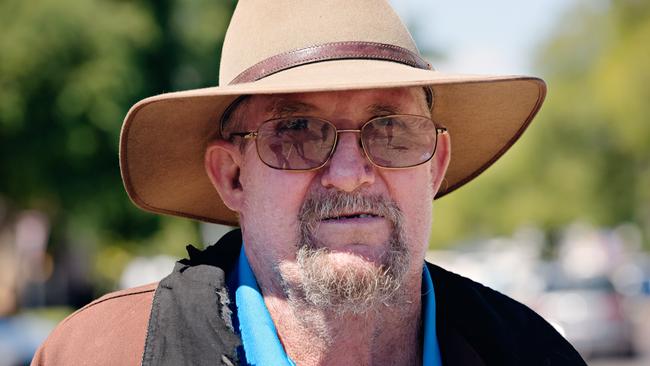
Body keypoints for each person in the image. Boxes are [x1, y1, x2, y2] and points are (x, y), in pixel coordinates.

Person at [32, 0, 586, 365]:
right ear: (232, 177)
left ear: (435, 165)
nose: (349, 175)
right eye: (295, 131)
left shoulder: (533, 354)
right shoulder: (103, 354)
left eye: (391, 130)